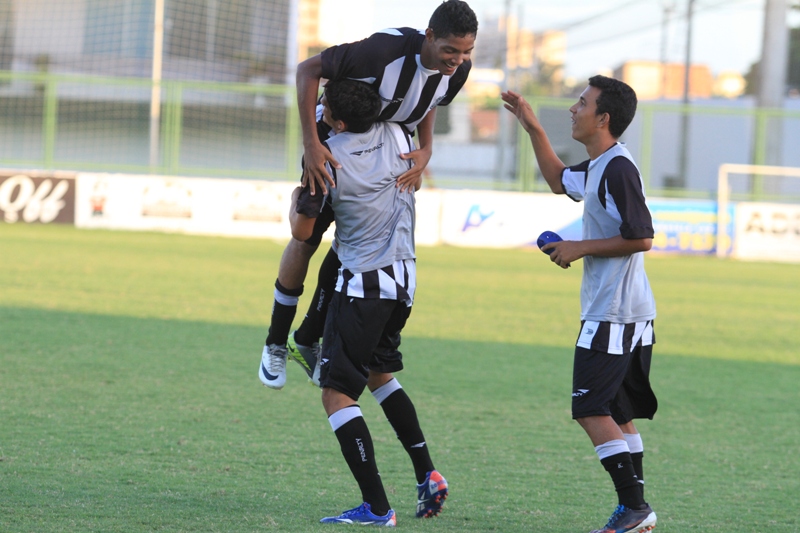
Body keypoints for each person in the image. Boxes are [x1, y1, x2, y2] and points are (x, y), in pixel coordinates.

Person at [259, 0, 478, 390]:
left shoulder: (457, 69)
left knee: (360, 245)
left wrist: (426, 148)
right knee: (305, 237)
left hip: (387, 150)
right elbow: (308, 69)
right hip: (333, 141)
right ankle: (275, 343)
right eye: (450, 50)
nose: (457, 60)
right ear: (430, 36)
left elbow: (432, 101)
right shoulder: (382, 50)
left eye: (466, 52)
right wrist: (311, 144)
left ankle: (305, 340)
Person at [501, 76, 659, 533]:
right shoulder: (601, 165)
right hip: (628, 311)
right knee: (618, 413)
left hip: (613, 313)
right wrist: (533, 127)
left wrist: (579, 247)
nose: (574, 108)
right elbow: (558, 181)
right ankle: (637, 511)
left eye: (582, 103)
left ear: (603, 118)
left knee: (590, 409)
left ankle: (635, 508)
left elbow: (642, 236)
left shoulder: (618, 168)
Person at [289, 79, 448, 526]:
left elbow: (302, 232)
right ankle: (427, 472)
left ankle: (377, 508)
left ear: (338, 121)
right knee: (380, 374)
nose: (319, 108)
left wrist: (296, 194)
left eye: (324, 105)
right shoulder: (398, 133)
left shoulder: (327, 158)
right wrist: (428, 148)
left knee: (337, 395)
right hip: (403, 281)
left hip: (363, 287)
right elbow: (432, 97)